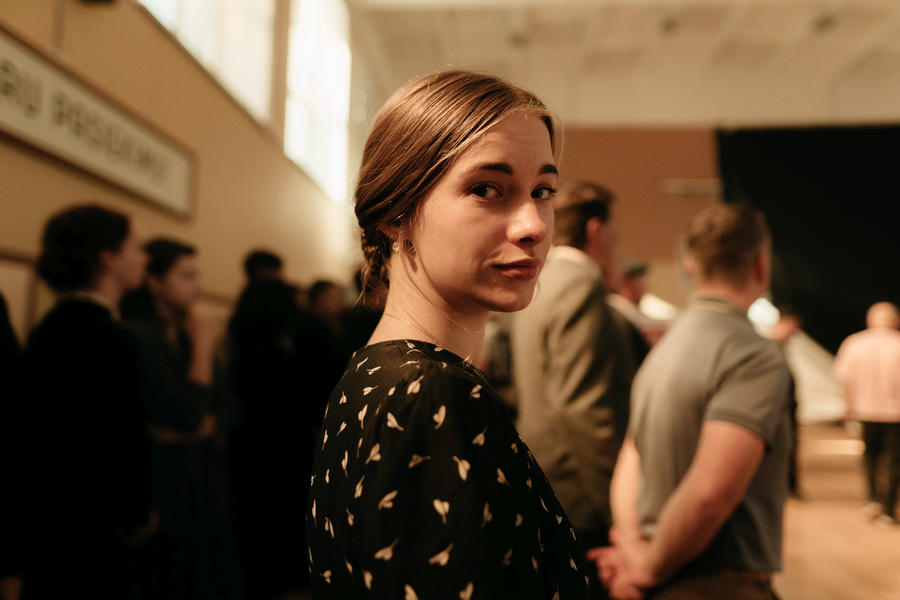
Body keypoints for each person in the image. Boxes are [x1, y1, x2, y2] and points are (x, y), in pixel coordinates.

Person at [306, 70, 590, 599]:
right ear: (395, 212)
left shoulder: (377, 372)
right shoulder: (428, 392)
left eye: (542, 191)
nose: (534, 225)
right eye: (486, 189)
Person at [593, 203, 791, 600]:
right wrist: (647, 567)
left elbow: (631, 456)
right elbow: (710, 493)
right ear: (761, 266)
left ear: (688, 268)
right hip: (718, 585)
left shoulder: (662, 350)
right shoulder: (753, 355)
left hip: (662, 575)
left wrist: (633, 546)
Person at [511, 180, 637, 595]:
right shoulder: (580, 284)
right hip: (579, 492)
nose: (618, 242)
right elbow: (585, 408)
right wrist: (616, 510)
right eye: (616, 231)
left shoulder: (542, 281)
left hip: (547, 478)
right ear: (596, 230)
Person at [22, 204, 154, 598]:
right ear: (108, 259)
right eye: (137, 248)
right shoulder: (112, 337)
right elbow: (122, 437)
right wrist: (138, 511)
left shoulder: (47, 329)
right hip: (99, 527)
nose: (145, 259)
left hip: (51, 522)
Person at [121, 238, 242, 598]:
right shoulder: (137, 336)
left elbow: (229, 406)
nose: (197, 287)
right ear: (155, 281)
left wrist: (208, 425)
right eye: (186, 276)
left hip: (205, 480)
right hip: (164, 485)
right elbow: (187, 412)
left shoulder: (188, 330)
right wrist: (203, 346)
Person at [834, 301, 900, 525]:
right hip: (895, 413)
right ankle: (889, 509)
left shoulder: (854, 343)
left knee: (870, 455)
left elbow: (846, 379)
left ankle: (872, 498)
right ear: (895, 320)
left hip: (865, 409)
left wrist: (849, 407)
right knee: (895, 460)